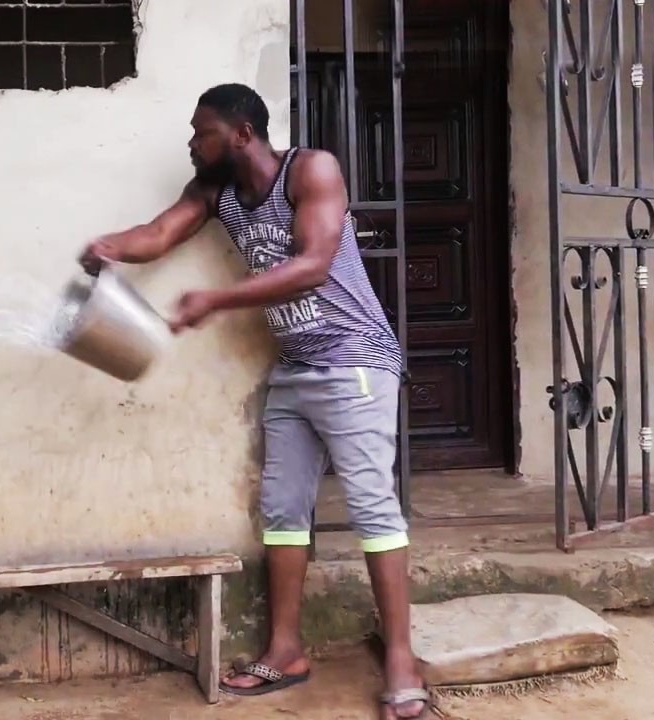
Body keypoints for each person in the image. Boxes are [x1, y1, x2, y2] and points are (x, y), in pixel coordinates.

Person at [80, 83, 430, 719]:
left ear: (242, 134)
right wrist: (109, 247)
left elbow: (314, 264)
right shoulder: (214, 190)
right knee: (282, 509)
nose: (193, 143)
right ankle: (285, 651)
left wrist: (215, 300)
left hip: (355, 362)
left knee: (372, 506)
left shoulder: (311, 171)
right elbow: (158, 234)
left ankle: (402, 660)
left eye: (203, 132)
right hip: (295, 369)